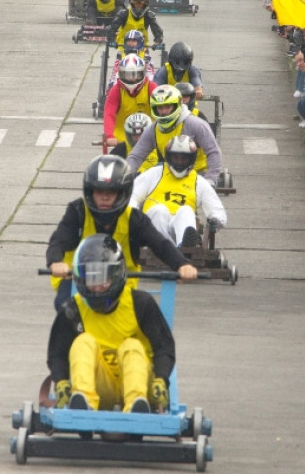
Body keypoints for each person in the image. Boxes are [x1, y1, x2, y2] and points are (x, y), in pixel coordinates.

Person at [45, 155, 198, 308]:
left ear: (123, 193)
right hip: (77, 281)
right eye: (99, 191)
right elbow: (58, 240)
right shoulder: (77, 211)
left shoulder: (134, 219)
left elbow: (160, 244)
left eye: (111, 192)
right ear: (90, 192)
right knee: (67, 309)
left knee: (146, 312)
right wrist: (55, 262)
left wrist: (182, 264)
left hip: (121, 285)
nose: (105, 197)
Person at [46, 234, 177, 413]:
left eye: (103, 279)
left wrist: (161, 379)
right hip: (100, 387)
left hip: (140, 382)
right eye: (92, 279)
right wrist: (61, 382)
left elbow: (164, 347)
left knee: (132, 345)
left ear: (116, 275)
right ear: (81, 277)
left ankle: (136, 405)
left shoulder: (141, 304)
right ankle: (84, 401)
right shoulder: (72, 309)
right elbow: (57, 354)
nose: (98, 286)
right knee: (82, 342)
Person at [130, 135, 227, 248]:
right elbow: (132, 195)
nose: (179, 162)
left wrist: (216, 219)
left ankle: (185, 247)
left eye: (184, 158)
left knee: (186, 211)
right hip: (152, 227)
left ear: (191, 159)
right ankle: (163, 248)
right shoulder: (154, 173)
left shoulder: (198, 182)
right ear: (169, 157)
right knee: (159, 210)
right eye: (176, 158)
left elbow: (216, 209)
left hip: (178, 227)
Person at [126, 85, 222, 184]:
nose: (163, 112)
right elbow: (136, 156)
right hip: (169, 177)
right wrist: (125, 175)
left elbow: (213, 152)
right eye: (160, 108)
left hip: (198, 177)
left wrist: (210, 179)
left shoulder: (197, 124)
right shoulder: (152, 129)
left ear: (177, 105)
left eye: (167, 107)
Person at [103, 54, 155, 147]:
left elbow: (162, 109)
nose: (131, 78)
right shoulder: (116, 90)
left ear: (142, 73)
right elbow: (109, 114)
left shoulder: (151, 87)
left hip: (149, 138)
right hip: (121, 139)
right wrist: (110, 136)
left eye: (135, 74)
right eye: (127, 75)